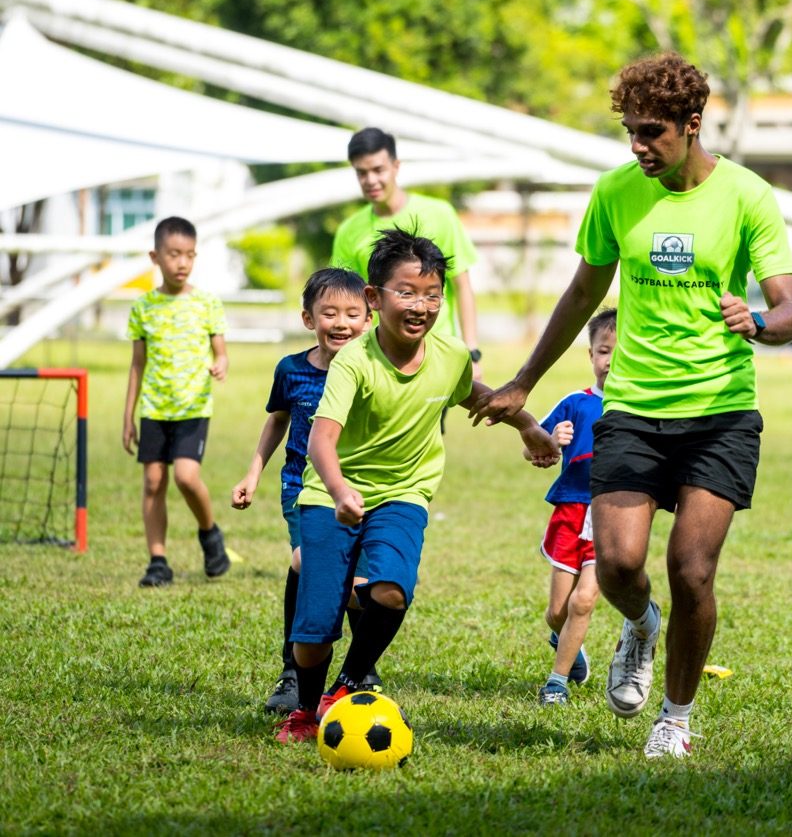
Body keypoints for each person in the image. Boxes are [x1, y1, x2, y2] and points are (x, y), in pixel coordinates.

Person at [471, 53, 792, 759]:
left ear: (692, 124)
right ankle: (641, 624)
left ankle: (675, 718)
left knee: (693, 569)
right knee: (618, 565)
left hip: (721, 412)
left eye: (650, 131)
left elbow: (790, 308)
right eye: (628, 131)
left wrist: (762, 325)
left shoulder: (747, 196)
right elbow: (583, 292)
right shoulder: (618, 191)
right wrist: (525, 380)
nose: (637, 146)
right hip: (633, 408)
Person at [274, 227, 560, 743]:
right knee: (314, 633)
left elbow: (475, 394)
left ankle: (346, 687)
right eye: (406, 292)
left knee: (389, 592)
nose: (421, 306)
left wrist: (529, 427)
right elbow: (320, 441)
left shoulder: (449, 355)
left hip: (405, 493)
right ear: (373, 298)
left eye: (432, 295)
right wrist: (339, 491)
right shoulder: (353, 361)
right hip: (329, 497)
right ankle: (303, 709)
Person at [231, 268, 375, 715]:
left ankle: (361, 671)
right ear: (308, 319)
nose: (341, 322)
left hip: (361, 489)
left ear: (369, 319)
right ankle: (293, 670)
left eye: (353, 313)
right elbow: (277, 419)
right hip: (303, 487)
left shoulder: (373, 367)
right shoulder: (291, 370)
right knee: (306, 561)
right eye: (328, 312)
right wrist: (253, 473)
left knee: (361, 580)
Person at [123, 216, 231, 588]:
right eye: (173, 254)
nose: (181, 263)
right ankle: (158, 561)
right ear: (155, 257)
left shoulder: (207, 304)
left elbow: (221, 352)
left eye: (188, 255)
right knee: (153, 482)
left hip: (193, 408)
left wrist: (220, 364)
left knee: (186, 477)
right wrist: (128, 417)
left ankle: (210, 533)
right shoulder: (142, 308)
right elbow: (137, 366)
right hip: (154, 408)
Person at [331, 127, 484, 380]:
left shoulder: (439, 214)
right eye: (361, 172)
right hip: (375, 358)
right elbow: (346, 298)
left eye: (378, 170)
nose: (370, 180)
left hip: (434, 355)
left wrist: (472, 351)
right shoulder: (349, 231)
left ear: (396, 166)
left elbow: (462, 285)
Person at [534, 308, 617, 707]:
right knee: (557, 612)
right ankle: (567, 640)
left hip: (612, 514)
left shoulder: (639, 410)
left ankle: (556, 683)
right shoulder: (574, 403)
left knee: (584, 601)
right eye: (604, 351)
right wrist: (551, 439)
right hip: (569, 512)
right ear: (591, 355)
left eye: (622, 351)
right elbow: (534, 447)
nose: (611, 360)